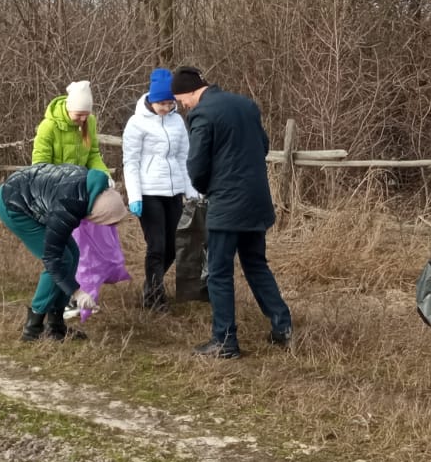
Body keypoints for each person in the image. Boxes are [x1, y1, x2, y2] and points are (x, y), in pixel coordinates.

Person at [172, 67, 292, 359]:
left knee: (219, 272)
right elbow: (263, 145)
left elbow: (197, 164)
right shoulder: (245, 104)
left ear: (189, 91)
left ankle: (225, 340)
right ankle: (282, 326)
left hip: (226, 204)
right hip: (256, 199)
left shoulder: (202, 114)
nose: (182, 106)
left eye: (180, 100)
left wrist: (205, 187)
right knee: (256, 264)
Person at [0, 163, 130, 341]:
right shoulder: (67, 207)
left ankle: (56, 326)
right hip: (13, 205)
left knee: (73, 254)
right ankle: (33, 327)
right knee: (62, 259)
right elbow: (52, 259)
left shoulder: (94, 185)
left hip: (29, 193)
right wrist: (77, 292)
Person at [121, 68, 199, 312]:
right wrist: (135, 196)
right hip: (149, 192)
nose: (166, 107)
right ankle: (155, 297)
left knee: (175, 245)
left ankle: (151, 284)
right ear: (152, 100)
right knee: (156, 246)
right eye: (161, 103)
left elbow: (184, 157)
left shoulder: (177, 121)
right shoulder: (136, 123)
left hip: (173, 191)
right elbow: (131, 162)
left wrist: (192, 191)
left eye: (169, 103)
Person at [32, 80, 109, 176]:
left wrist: (104, 175)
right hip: (54, 184)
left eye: (87, 114)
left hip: (80, 183)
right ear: (69, 109)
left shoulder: (90, 122)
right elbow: (40, 165)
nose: (83, 118)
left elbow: (92, 155)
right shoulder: (48, 126)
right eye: (79, 114)